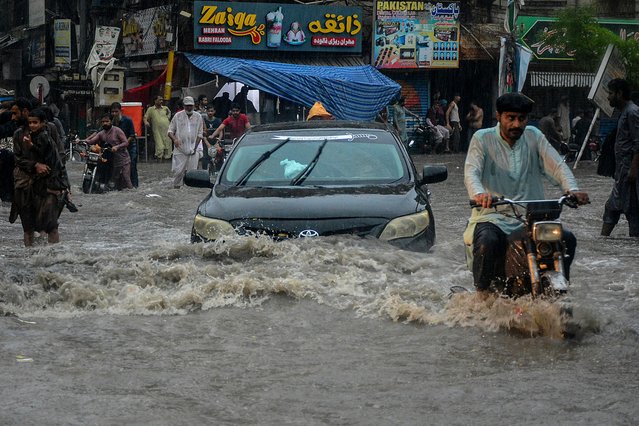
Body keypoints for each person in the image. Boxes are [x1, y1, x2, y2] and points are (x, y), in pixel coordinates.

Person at [463, 92, 589, 297]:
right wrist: (479, 194)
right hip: (493, 215)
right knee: (487, 242)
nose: (516, 124)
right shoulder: (482, 139)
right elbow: (472, 171)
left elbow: (557, 166)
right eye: (510, 118)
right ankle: (482, 296)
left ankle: (558, 285)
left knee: (567, 239)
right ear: (499, 116)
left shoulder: (534, 136)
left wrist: (571, 189)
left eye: (521, 119)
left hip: (532, 217)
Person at [11, 108, 73, 246]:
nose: (13, 117)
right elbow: (17, 159)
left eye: (16, 113)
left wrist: (65, 185)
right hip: (25, 184)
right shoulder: (19, 134)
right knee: (28, 226)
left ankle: (54, 257)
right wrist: (35, 165)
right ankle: (30, 258)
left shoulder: (50, 130)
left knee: (51, 225)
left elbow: (59, 157)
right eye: (30, 122)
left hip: (49, 185)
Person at [601, 78, 639, 237]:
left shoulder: (632, 112)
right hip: (623, 171)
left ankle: (603, 242)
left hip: (630, 172)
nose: (608, 97)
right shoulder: (625, 112)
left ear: (619, 93)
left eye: (610, 93)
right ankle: (604, 242)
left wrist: (632, 171)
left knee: (624, 209)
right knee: (620, 208)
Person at [85, 114, 133, 190]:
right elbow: (91, 141)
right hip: (112, 160)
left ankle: (131, 192)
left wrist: (117, 147)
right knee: (113, 180)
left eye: (107, 121)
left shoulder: (117, 130)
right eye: (103, 122)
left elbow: (126, 142)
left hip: (123, 159)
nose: (105, 123)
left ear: (111, 122)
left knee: (126, 178)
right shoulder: (101, 133)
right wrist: (81, 141)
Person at [168, 96, 204, 189]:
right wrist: (175, 139)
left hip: (193, 148)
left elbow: (200, 134)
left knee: (192, 172)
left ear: (194, 106)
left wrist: (195, 148)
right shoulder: (178, 116)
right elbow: (170, 131)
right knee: (178, 171)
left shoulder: (198, 116)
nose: (189, 107)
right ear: (183, 106)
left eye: (191, 106)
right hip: (180, 148)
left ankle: (190, 190)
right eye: (187, 106)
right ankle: (177, 189)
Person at [111, 102, 138, 188]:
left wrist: (125, 143)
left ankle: (135, 186)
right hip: (118, 148)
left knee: (132, 166)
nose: (114, 114)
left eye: (116, 111)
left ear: (120, 111)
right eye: (113, 112)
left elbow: (132, 135)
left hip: (130, 147)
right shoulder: (111, 122)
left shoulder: (128, 120)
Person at [143, 95, 172, 161]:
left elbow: (169, 114)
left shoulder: (165, 108)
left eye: (162, 100)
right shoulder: (151, 109)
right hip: (157, 130)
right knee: (159, 145)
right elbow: (145, 117)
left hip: (166, 129)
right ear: (155, 101)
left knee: (167, 143)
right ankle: (159, 158)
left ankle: (166, 159)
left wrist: (167, 120)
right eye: (159, 100)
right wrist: (146, 122)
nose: (161, 101)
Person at [202, 104, 222, 173]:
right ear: (206, 112)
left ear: (214, 111)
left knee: (219, 158)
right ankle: (204, 172)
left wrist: (218, 142)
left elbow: (221, 132)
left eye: (211, 111)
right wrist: (207, 143)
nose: (210, 113)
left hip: (216, 142)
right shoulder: (203, 121)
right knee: (205, 158)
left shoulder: (218, 121)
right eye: (208, 111)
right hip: (206, 142)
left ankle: (219, 172)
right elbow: (202, 133)